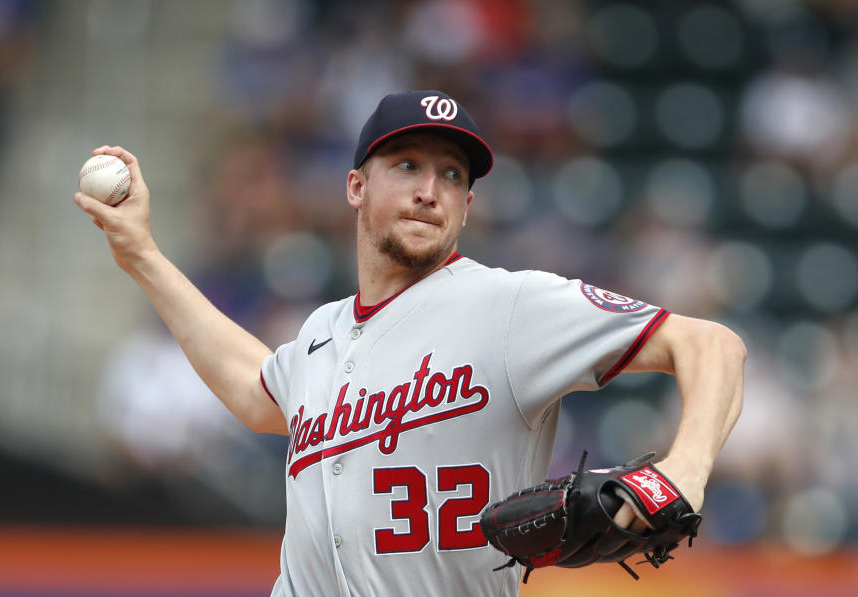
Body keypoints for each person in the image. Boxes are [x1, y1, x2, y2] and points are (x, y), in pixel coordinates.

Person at [73, 90, 746, 597]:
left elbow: (711, 344)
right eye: (407, 164)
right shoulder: (320, 334)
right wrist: (142, 255)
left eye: (453, 175)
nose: (430, 190)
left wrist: (684, 468)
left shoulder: (510, 306)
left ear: (467, 206)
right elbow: (257, 393)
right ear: (357, 188)